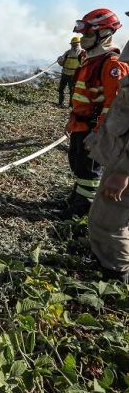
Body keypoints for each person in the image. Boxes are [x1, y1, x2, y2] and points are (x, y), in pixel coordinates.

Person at [61, 9, 129, 219]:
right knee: (78, 163)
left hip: (93, 129)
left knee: (89, 171)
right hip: (80, 125)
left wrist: (99, 133)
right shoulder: (89, 58)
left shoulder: (111, 65)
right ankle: (76, 197)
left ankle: (83, 207)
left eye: (88, 35)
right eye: (83, 35)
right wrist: (72, 122)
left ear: (106, 33)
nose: (83, 39)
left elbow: (114, 106)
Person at [84, 32, 129, 283]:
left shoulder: (113, 64)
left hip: (125, 164)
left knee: (107, 222)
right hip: (120, 154)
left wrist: (124, 171)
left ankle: (115, 277)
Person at [56, 36, 83, 107]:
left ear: (79, 44)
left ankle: (71, 105)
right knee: (61, 89)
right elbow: (61, 63)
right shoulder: (67, 53)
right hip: (65, 74)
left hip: (74, 75)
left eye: (76, 44)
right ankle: (61, 103)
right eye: (73, 44)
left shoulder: (82, 53)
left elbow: (84, 64)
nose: (74, 46)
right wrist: (59, 59)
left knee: (72, 91)